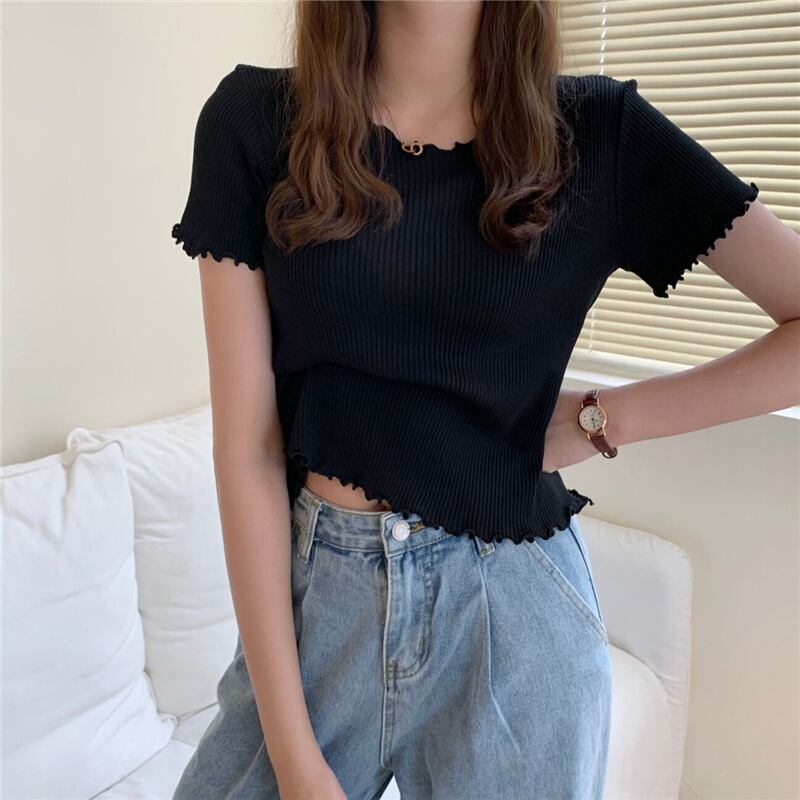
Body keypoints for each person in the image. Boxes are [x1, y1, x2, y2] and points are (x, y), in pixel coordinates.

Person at [169, 3, 799, 798]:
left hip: (515, 612)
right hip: (319, 602)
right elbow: (248, 451)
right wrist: (295, 760)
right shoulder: (256, 122)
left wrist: (604, 419)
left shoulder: (597, 133)